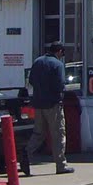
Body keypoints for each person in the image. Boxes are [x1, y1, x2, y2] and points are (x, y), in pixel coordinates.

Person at [28, 42, 73, 174]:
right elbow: (60, 84)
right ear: (59, 51)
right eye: (62, 53)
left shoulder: (37, 62)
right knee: (58, 134)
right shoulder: (57, 64)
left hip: (38, 104)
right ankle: (61, 165)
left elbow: (31, 80)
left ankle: (26, 154)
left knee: (38, 133)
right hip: (53, 104)